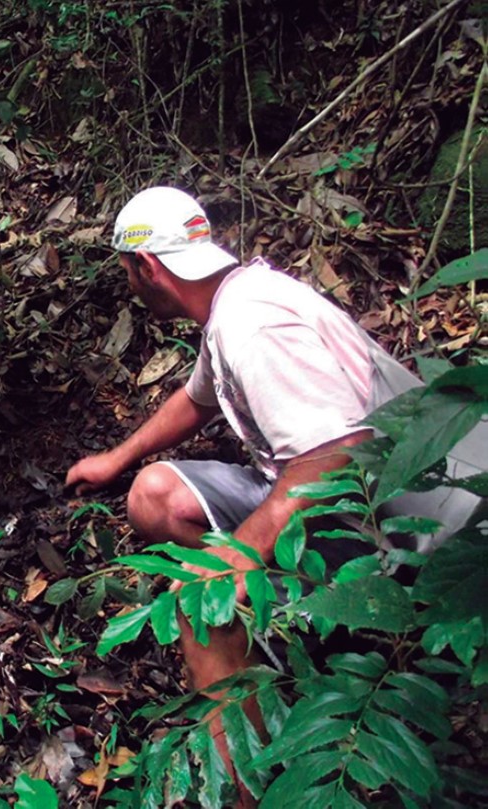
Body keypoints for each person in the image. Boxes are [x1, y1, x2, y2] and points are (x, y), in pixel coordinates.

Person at [65, 186, 486, 806]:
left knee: (201, 605)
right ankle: (298, 625)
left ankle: (250, 787)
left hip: (409, 526)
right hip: (342, 498)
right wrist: (117, 460)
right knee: (154, 495)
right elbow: (197, 399)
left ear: (146, 266)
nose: (130, 282)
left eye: (127, 270)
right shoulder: (234, 303)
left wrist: (240, 556)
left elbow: (337, 449)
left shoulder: (253, 326)